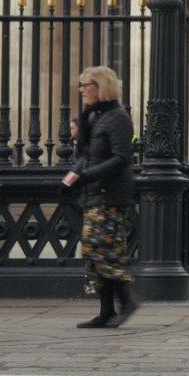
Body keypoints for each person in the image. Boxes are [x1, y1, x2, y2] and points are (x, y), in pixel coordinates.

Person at [60, 66, 140, 328]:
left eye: (87, 84)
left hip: (111, 194)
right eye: (81, 85)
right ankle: (107, 311)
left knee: (100, 247)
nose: (82, 89)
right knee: (91, 253)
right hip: (93, 193)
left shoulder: (117, 117)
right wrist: (72, 176)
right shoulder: (94, 117)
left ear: (102, 86)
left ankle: (127, 300)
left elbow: (121, 158)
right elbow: (85, 155)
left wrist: (87, 176)